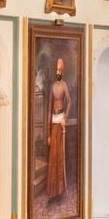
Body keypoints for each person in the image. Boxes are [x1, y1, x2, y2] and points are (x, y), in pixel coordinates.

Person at [46, 56, 70, 200]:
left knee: (60, 156)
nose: (58, 71)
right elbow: (49, 109)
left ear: (63, 70)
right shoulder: (52, 87)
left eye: (60, 69)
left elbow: (70, 102)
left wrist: (65, 118)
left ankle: (60, 190)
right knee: (53, 156)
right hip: (53, 123)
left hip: (60, 122)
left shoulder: (64, 85)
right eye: (56, 69)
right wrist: (48, 134)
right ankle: (52, 191)